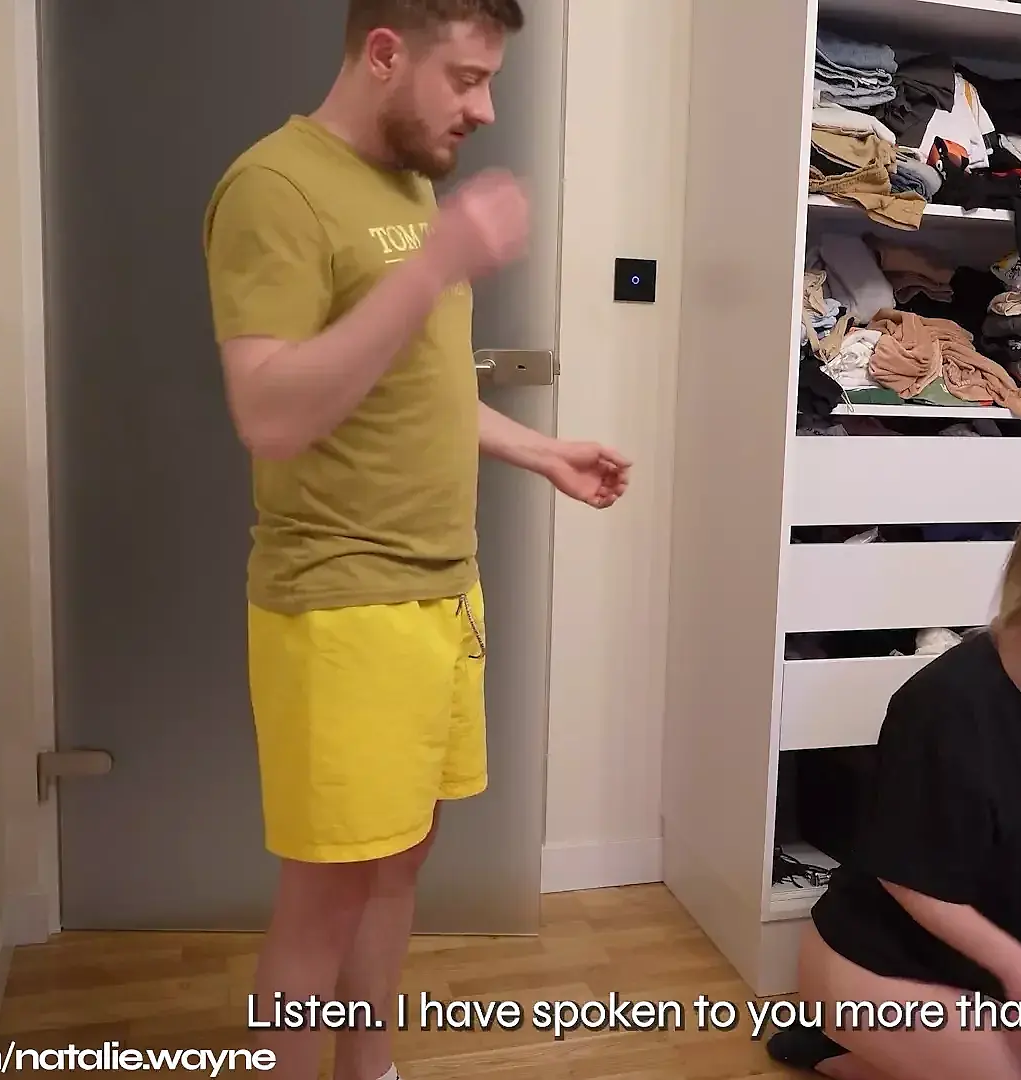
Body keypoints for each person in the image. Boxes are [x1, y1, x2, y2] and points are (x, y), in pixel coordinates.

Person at [199, 2, 628, 1079]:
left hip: (442, 592)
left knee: (398, 865)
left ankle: (371, 1068)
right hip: (342, 605)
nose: (486, 110)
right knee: (327, 894)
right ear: (386, 54)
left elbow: (403, 387)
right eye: (468, 78)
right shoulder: (274, 187)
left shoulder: (406, 184)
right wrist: (435, 266)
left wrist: (542, 450)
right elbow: (271, 412)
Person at [769, 506, 1021, 1080]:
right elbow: (906, 876)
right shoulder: (942, 703)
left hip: (974, 961)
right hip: (879, 961)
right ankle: (832, 1041)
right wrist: (1020, 968)